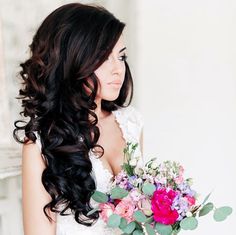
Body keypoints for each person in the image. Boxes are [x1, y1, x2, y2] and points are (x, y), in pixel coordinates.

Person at [13, 2, 144, 235]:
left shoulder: (131, 123)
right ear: (73, 61)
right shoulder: (42, 143)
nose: (118, 70)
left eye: (121, 57)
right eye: (104, 59)